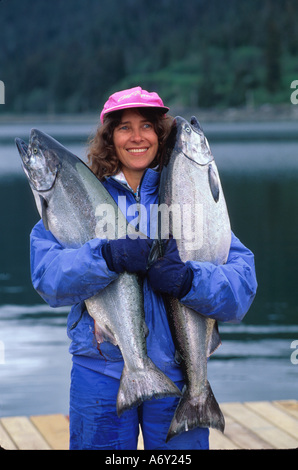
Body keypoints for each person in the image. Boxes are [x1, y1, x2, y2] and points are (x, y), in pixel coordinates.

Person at [30, 86, 257, 450]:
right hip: (99, 371)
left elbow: (242, 289)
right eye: (124, 127)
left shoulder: (191, 193)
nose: (137, 137)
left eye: (147, 126)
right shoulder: (76, 199)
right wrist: (105, 258)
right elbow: (48, 280)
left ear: (160, 134)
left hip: (179, 373)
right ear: (109, 138)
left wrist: (189, 281)